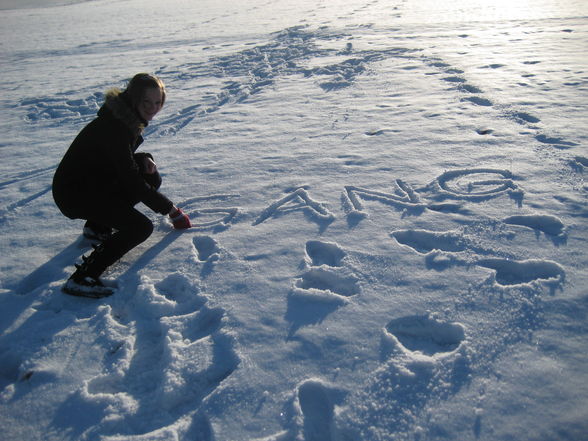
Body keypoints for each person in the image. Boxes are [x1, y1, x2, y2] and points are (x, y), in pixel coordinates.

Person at [52, 73, 191, 298]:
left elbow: (116, 159)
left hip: (89, 183)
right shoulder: (115, 127)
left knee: (150, 177)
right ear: (134, 98)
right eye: (147, 102)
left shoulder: (123, 118)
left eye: (158, 102)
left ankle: (97, 227)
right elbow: (131, 180)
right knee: (140, 227)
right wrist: (171, 211)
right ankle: (82, 279)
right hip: (75, 193)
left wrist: (142, 157)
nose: (153, 108)